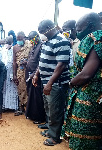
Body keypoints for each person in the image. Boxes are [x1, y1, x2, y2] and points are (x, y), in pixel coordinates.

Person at [63, 12, 102, 150]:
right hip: (85, 92)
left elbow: (86, 74)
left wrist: (70, 83)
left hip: (91, 97)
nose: (77, 33)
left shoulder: (98, 40)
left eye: (79, 30)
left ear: (90, 27)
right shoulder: (90, 40)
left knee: (87, 136)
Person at [33, 19, 70, 146]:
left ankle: (55, 136)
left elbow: (61, 65)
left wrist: (49, 83)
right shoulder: (46, 41)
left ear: (50, 28)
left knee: (55, 109)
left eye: (42, 31)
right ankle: (50, 128)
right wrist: (37, 74)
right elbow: (42, 61)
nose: (41, 34)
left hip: (56, 83)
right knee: (48, 107)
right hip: (46, 81)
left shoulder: (62, 41)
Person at [25, 31, 45, 124]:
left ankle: (39, 117)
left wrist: (35, 74)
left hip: (37, 76)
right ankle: (32, 115)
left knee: (37, 98)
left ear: (37, 37)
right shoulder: (34, 47)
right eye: (29, 39)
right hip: (31, 74)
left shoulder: (41, 46)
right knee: (32, 96)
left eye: (32, 38)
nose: (31, 41)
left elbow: (41, 62)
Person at [13, 31, 32, 115]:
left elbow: (33, 57)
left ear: (24, 38)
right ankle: (21, 108)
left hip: (29, 70)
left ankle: (29, 108)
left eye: (20, 39)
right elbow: (14, 62)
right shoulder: (15, 48)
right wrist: (14, 75)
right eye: (17, 39)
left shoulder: (30, 45)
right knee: (20, 89)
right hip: (20, 71)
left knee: (28, 89)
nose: (19, 40)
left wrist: (27, 62)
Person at [0, 36, 18, 111]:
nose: (8, 43)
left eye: (9, 42)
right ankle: (5, 106)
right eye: (7, 42)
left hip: (12, 72)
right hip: (4, 73)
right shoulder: (2, 50)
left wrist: (14, 73)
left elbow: (15, 62)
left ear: (12, 42)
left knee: (13, 89)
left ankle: (13, 107)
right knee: (4, 89)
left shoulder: (14, 49)